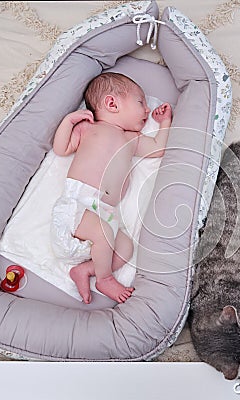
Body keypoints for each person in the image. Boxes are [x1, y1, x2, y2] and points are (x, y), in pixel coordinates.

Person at [51, 72, 172, 304]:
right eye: (141, 103)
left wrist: (164, 122)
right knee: (104, 233)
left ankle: (86, 269)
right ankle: (104, 279)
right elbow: (61, 148)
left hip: (105, 214)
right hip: (78, 206)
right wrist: (68, 122)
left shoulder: (131, 139)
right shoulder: (89, 129)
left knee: (125, 248)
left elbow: (158, 148)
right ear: (111, 103)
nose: (147, 110)